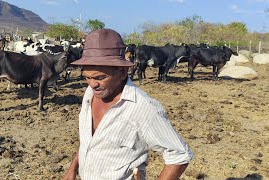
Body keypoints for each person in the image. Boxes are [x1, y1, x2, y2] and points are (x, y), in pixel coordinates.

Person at [63, 29, 193, 180]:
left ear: (123, 72)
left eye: (100, 77)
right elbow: (89, 142)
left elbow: (180, 155)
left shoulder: (143, 108)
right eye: (87, 77)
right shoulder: (89, 94)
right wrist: (72, 169)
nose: (93, 84)